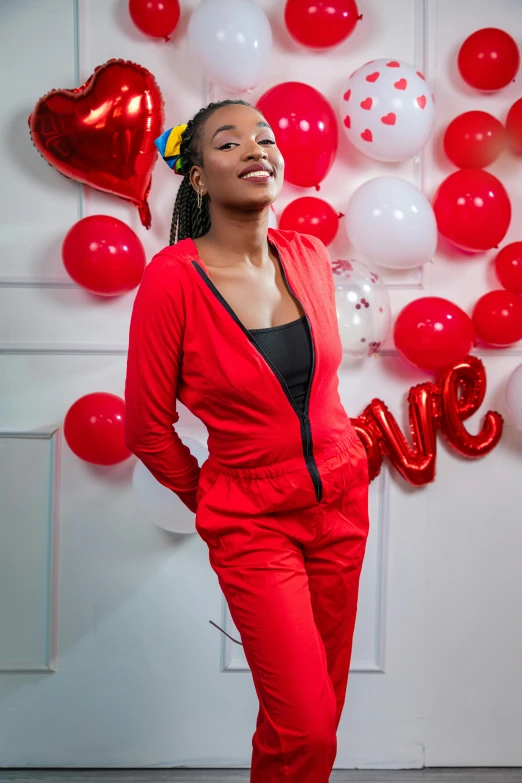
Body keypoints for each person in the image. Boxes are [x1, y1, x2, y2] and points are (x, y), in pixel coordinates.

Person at [124, 98, 370, 782]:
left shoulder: (310, 254)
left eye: (264, 138)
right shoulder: (173, 277)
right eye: (229, 142)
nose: (256, 148)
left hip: (341, 510)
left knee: (305, 720)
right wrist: (213, 493)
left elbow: (321, 390)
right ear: (198, 177)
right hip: (253, 523)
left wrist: (345, 457)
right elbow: (145, 423)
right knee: (310, 729)